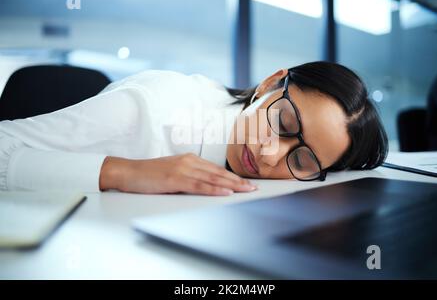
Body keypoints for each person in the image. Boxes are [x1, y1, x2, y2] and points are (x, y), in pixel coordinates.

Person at [0, 61, 388, 196]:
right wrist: (122, 172)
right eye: (284, 123)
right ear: (270, 84)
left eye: (301, 160)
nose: (270, 154)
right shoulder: (152, 106)